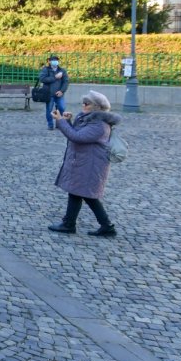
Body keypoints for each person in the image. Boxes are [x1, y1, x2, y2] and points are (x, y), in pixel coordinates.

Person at [48, 91, 120, 237]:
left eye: (86, 104)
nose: (83, 105)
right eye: (83, 102)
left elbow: (77, 137)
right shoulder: (88, 119)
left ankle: (106, 226)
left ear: (96, 107)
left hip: (91, 164)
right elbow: (76, 132)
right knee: (76, 191)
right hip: (84, 162)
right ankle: (69, 223)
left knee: (88, 195)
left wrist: (61, 121)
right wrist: (67, 121)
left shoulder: (99, 125)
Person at [38, 56, 70, 131]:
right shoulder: (45, 70)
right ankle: (50, 124)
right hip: (49, 94)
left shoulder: (62, 70)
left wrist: (62, 91)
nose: (55, 62)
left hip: (59, 94)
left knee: (62, 108)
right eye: (53, 60)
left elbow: (66, 82)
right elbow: (42, 79)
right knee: (49, 110)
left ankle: (59, 124)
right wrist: (55, 77)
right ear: (49, 61)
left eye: (56, 60)